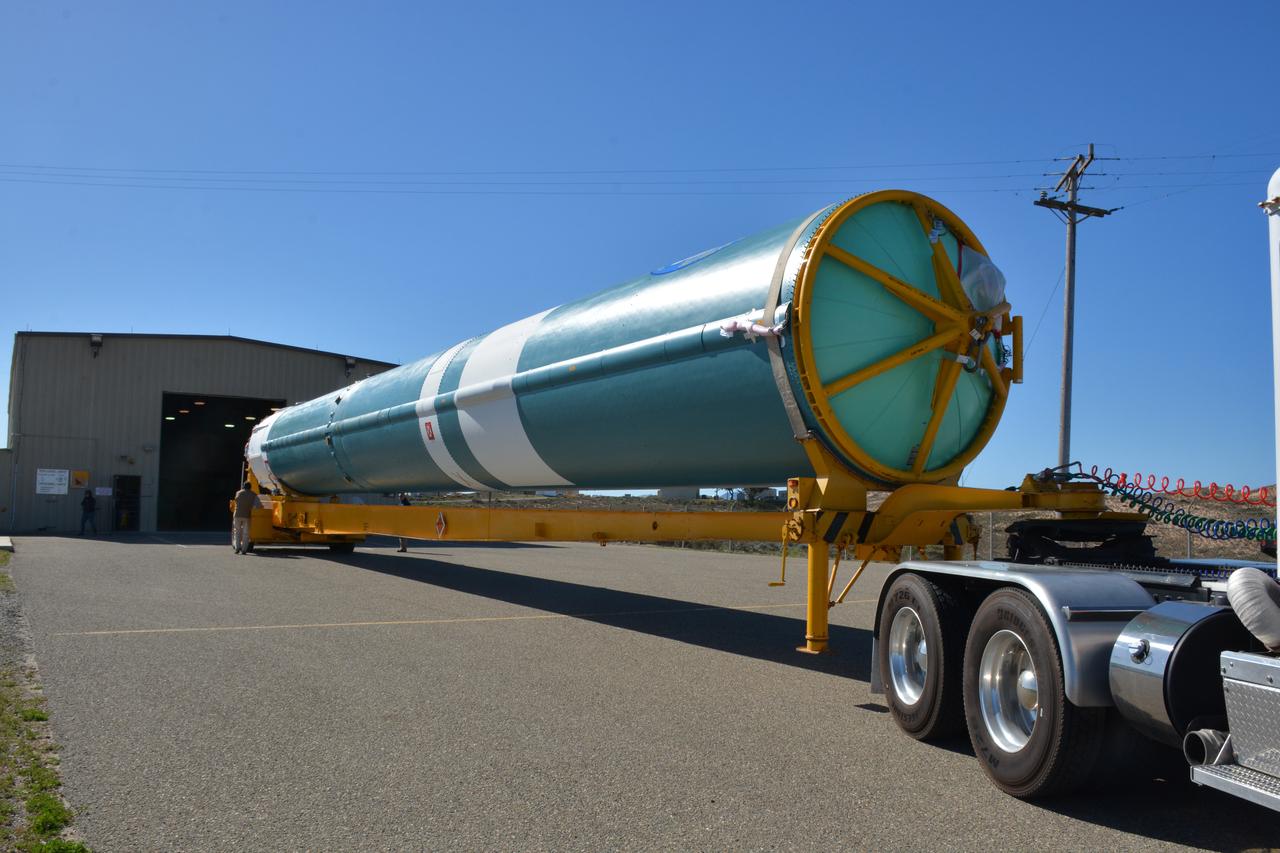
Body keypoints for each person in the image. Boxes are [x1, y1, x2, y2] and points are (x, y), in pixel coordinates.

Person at [232, 481, 257, 555]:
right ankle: (244, 550)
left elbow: (236, 501)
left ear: (243, 486)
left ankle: (237, 548)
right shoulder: (254, 495)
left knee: (237, 531)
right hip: (247, 515)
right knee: (246, 533)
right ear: (250, 487)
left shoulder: (238, 493)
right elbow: (257, 505)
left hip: (237, 514)